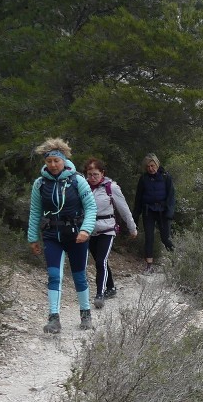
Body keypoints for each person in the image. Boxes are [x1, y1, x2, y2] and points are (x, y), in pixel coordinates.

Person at [27, 138, 97, 334]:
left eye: (56, 161)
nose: (53, 165)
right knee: (54, 276)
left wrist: (86, 230)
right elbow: (35, 212)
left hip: (77, 236)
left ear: (64, 160)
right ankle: (54, 318)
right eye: (49, 161)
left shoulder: (77, 181)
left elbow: (91, 207)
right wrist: (32, 238)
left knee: (79, 276)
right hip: (52, 236)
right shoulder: (40, 184)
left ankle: (85, 314)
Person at [84, 158, 137, 308]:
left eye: (95, 174)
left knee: (101, 261)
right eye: (89, 174)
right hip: (90, 229)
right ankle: (111, 287)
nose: (92, 178)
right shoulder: (84, 187)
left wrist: (132, 227)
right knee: (101, 261)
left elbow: (124, 209)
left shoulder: (111, 188)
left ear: (102, 173)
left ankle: (99, 294)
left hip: (107, 228)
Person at [133, 153, 175, 273]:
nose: (150, 169)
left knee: (165, 238)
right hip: (148, 210)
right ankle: (149, 265)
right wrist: (135, 216)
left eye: (152, 165)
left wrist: (169, 212)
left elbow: (171, 196)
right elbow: (138, 198)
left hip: (163, 211)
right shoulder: (143, 179)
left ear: (157, 164)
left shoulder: (166, 177)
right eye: (148, 167)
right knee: (149, 237)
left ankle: (175, 260)